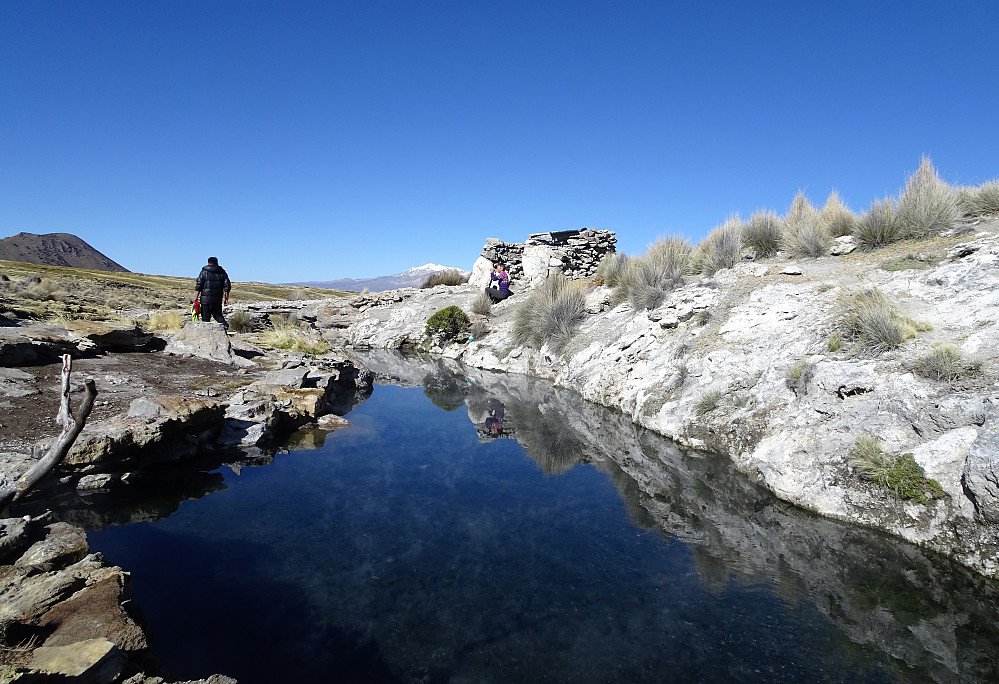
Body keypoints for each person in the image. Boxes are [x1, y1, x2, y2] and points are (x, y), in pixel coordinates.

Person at [193, 256, 231, 329]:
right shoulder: (222, 272)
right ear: (217, 263)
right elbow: (227, 286)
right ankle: (225, 328)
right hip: (217, 300)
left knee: (205, 319)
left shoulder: (204, 272)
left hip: (205, 300)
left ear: (208, 262)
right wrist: (226, 298)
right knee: (218, 316)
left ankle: (206, 333)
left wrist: (195, 298)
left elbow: (199, 285)